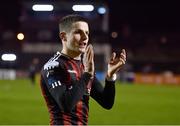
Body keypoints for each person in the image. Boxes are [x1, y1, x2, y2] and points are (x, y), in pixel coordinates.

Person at [39, 14, 126, 125]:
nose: (85, 38)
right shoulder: (53, 67)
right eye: (78, 32)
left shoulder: (85, 66)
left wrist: (110, 76)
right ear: (63, 36)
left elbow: (106, 102)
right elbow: (66, 105)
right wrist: (87, 74)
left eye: (86, 33)